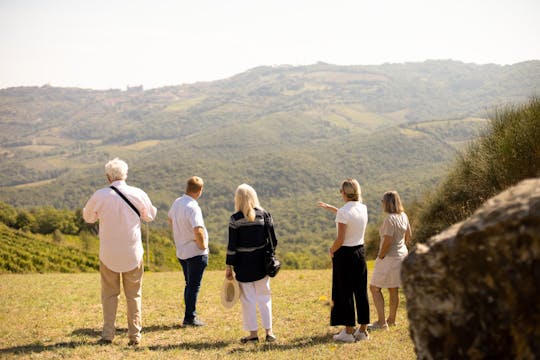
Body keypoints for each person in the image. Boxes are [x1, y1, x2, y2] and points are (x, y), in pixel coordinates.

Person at [83, 158, 157, 346]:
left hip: (108, 254)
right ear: (125, 174)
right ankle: (135, 335)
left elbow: (88, 217)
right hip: (133, 252)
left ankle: (108, 334)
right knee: (134, 295)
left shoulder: (100, 195)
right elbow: (150, 216)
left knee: (109, 295)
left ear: (108, 177)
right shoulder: (137, 193)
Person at [317, 178, 370, 343]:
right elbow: (350, 215)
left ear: (344, 193)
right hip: (360, 252)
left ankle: (348, 332)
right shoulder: (363, 208)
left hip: (345, 254)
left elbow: (340, 239)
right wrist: (333, 209)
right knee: (360, 291)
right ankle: (362, 330)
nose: (340, 193)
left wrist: (331, 250)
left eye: (341, 191)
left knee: (344, 291)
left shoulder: (343, 212)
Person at [225, 184, 278, 343]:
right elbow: (273, 241)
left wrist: (229, 266)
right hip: (262, 265)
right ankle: (269, 333)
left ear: (238, 199)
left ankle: (253, 335)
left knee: (247, 300)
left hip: (243, 266)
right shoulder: (265, 215)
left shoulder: (235, 219)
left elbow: (232, 246)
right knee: (265, 297)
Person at [168, 176, 209, 327]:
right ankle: (190, 317)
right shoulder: (193, 206)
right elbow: (198, 229)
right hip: (195, 252)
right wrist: (203, 246)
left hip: (182, 251)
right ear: (200, 190)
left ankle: (189, 315)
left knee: (189, 284)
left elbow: (170, 219)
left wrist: (179, 233)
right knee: (193, 286)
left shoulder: (178, 202)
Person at [369, 191, 412, 330]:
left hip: (389, 258)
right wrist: (401, 246)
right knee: (394, 289)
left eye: (382, 201)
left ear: (387, 203)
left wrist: (381, 255)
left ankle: (382, 323)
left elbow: (387, 240)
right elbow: (409, 235)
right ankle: (391, 320)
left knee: (374, 288)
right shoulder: (403, 216)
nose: (381, 203)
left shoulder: (389, 219)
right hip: (402, 256)